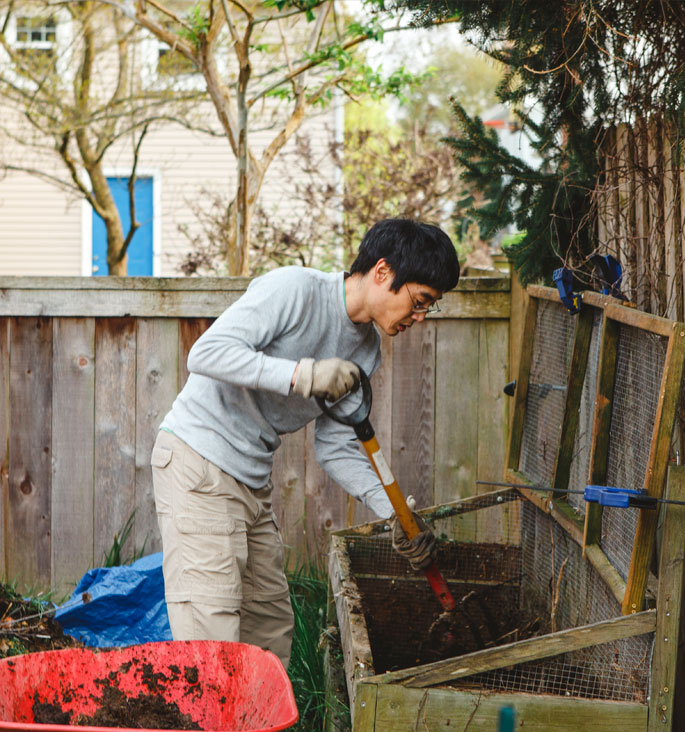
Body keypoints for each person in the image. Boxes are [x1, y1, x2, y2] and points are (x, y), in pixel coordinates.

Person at [151, 218, 461, 667]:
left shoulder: (365, 352)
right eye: (419, 301)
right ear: (381, 272)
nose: (420, 317)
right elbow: (205, 354)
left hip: (251, 481)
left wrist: (395, 513)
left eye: (428, 307)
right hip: (198, 462)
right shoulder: (295, 290)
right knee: (210, 641)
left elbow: (336, 446)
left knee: (269, 633)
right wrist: (304, 374)